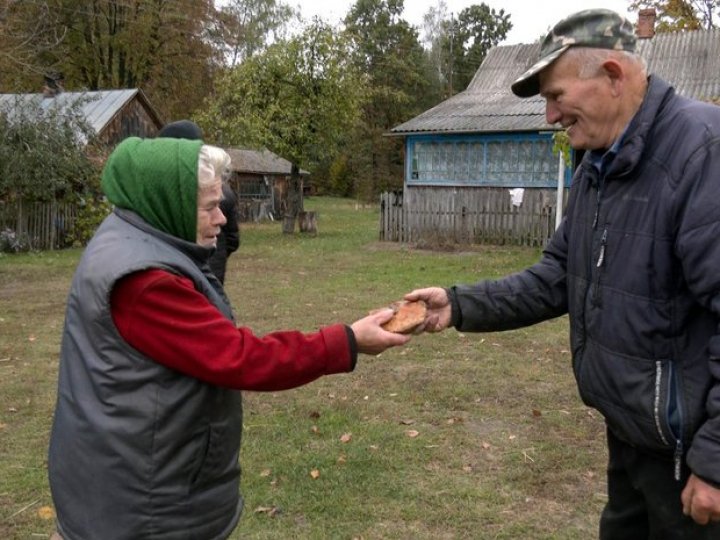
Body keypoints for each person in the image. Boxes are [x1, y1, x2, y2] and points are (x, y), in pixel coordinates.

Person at [406, 9, 720, 539]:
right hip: (631, 436)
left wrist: (713, 461)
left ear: (613, 77)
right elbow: (558, 276)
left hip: (688, 456)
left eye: (556, 96)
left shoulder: (700, 153)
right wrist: (457, 304)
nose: (550, 115)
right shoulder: (598, 163)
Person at [47, 136, 410, 539]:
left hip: (122, 479)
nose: (222, 218)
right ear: (169, 204)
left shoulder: (128, 237)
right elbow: (240, 357)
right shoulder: (145, 282)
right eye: (209, 208)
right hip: (145, 505)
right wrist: (348, 340)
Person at [158, 119, 240, 284]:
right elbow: (232, 238)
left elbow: (232, 237)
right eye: (210, 207)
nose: (220, 218)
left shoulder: (218, 190)